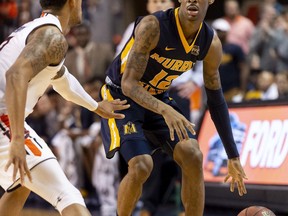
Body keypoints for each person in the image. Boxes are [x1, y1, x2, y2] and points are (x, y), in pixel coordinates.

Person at [100, 0, 247, 215]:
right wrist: (165, 110)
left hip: (157, 98)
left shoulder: (210, 42)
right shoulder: (153, 26)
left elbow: (216, 100)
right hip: (120, 96)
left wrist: (233, 156)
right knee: (142, 165)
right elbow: (129, 84)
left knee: (193, 155)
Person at [0, 0, 129, 216]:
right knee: (68, 196)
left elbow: (63, 80)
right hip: (4, 119)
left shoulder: (40, 29)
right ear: (73, 2)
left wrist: (95, 106)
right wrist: (17, 140)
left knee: (23, 181)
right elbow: (15, 75)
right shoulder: (51, 36)